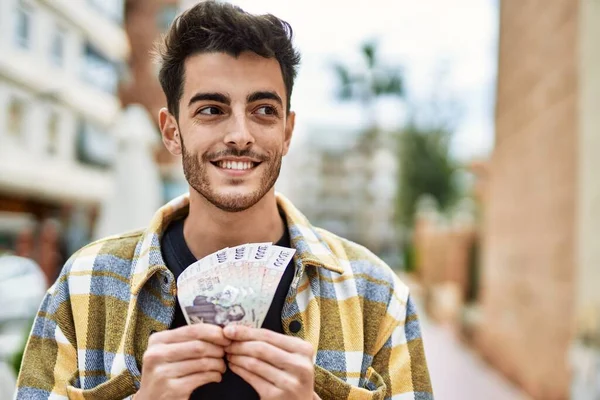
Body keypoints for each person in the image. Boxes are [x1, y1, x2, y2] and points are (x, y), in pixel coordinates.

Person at [15, 2, 433, 399]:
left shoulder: (375, 295)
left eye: (264, 110)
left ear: (287, 131)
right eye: (212, 110)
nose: (239, 134)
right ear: (171, 131)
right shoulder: (84, 286)